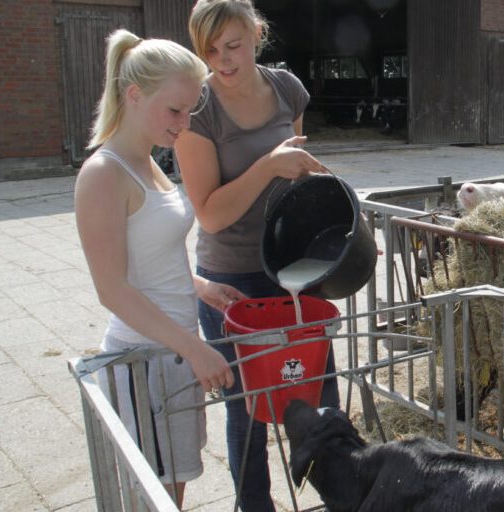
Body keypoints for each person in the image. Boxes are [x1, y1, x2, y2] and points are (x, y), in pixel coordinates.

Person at [175, 1, 340, 510]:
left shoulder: (287, 89)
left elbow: (298, 174)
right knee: (247, 410)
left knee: (318, 392)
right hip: (233, 279)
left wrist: (341, 233)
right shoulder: (197, 108)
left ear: (256, 34)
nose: (222, 60)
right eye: (210, 51)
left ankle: (340, 495)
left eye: (233, 45)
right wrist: (267, 165)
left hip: (291, 265)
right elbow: (209, 214)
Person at [74, 28, 242, 508]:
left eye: (189, 111)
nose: (184, 123)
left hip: (173, 352)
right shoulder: (105, 174)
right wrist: (195, 349)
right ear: (134, 95)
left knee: (172, 489)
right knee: (153, 495)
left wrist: (200, 286)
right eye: (175, 110)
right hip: (143, 359)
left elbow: (153, 257)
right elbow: (112, 289)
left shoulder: (147, 163)